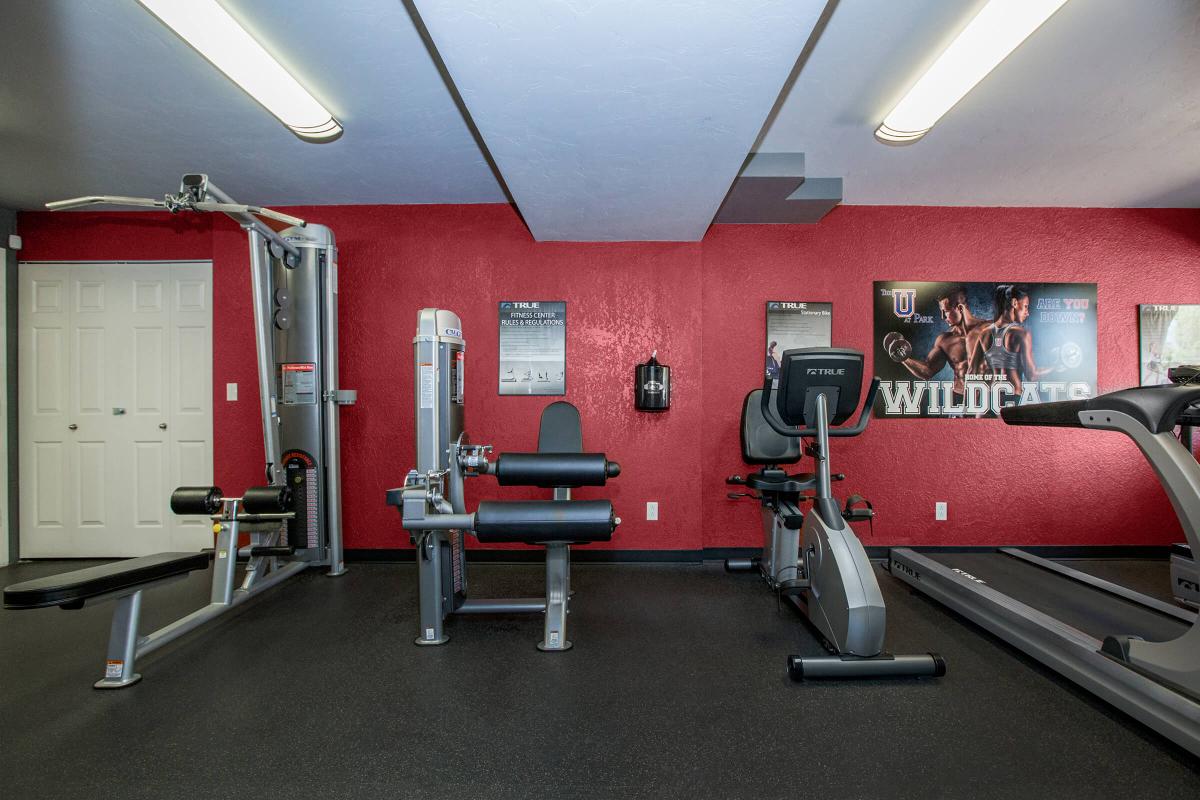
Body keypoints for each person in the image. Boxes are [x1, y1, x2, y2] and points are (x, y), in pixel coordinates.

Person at [887, 285, 987, 408]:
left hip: (988, 398)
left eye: (945, 311)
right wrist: (903, 358)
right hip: (959, 398)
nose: (942, 317)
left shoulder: (990, 330)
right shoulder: (945, 340)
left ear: (959, 307)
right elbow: (927, 371)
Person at [967, 284, 1054, 399]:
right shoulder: (1021, 333)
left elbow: (971, 372)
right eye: (1026, 306)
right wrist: (1055, 367)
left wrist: (965, 408)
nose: (1027, 313)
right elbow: (1031, 375)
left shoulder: (984, 334)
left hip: (989, 399)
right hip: (1011, 398)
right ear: (1014, 303)